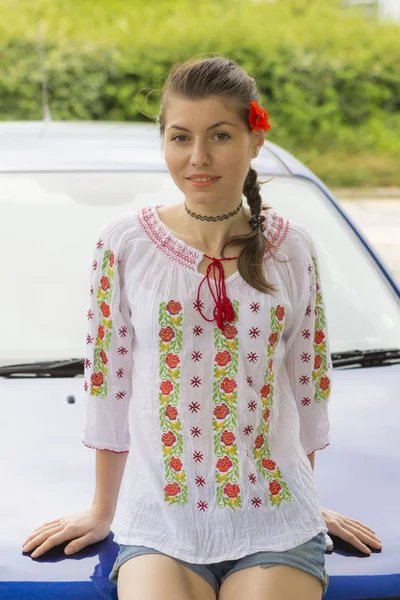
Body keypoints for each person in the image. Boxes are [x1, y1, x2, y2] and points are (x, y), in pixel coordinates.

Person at [21, 56, 382, 600]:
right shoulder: (125, 246)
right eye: (180, 137)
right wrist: (102, 509)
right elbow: (110, 384)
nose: (198, 158)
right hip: (160, 525)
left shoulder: (294, 250)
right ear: (163, 141)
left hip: (278, 520)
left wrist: (306, 496)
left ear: (255, 138)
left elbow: (306, 385)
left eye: (219, 135)